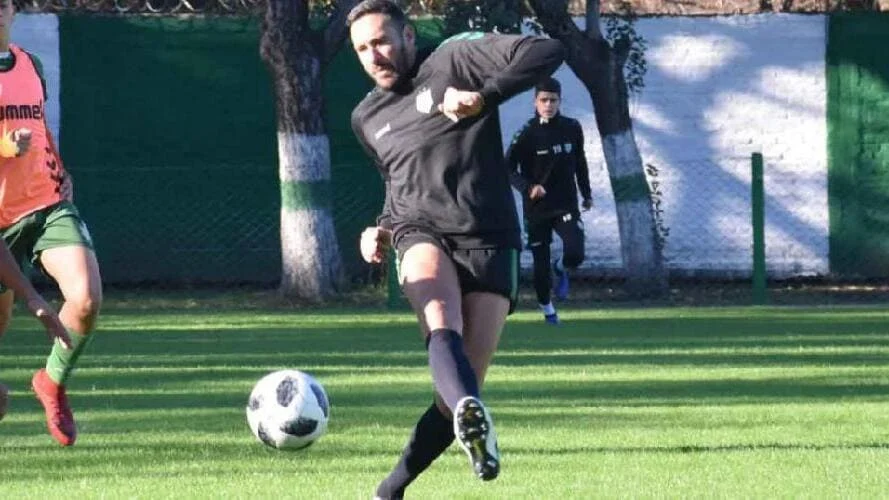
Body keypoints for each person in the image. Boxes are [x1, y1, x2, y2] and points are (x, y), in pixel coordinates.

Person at [348, 0, 564, 497]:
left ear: (406, 36)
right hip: (418, 231)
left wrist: (485, 97)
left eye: (381, 41)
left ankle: (391, 488)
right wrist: (379, 229)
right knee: (439, 314)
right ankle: (470, 408)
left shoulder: (453, 59)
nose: (373, 55)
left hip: (490, 236)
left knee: (457, 394)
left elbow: (547, 50)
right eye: (361, 48)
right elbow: (397, 186)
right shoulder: (366, 117)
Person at [0, 0, 103, 447]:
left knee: (85, 300)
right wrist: (5, 147)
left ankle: (52, 381)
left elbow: (38, 127)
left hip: (46, 204)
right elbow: (11, 140)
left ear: (13, 11)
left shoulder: (30, 64)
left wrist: (59, 165)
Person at [506, 77, 592, 325]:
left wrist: (586, 193)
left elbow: (580, 162)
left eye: (553, 100)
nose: (548, 105)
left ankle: (562, 266)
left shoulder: (572, 127)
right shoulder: (527, 133)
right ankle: (548, 311)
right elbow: (508, 167)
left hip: (565, 204)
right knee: (539, 263)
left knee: (575, 252)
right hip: (537, 210)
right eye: (544, 100)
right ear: (535, 102)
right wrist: (528, 187)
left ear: (559, 101)